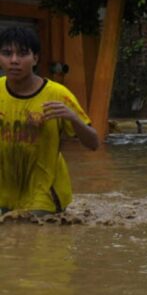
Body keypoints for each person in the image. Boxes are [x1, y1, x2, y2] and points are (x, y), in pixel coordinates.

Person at [0, 26, 100, 215]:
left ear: (35, 58)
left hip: (45, 195)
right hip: (5, 193)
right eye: (7, 53)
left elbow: (94, 143)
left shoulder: (58, 94)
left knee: (35, 232)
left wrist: (73, 118)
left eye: (22, 54)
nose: (14, 60)